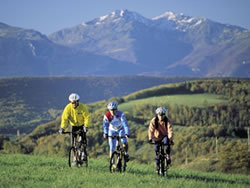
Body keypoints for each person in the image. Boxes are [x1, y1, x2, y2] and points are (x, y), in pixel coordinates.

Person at [59, 93, 90, 161]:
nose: (74, 104)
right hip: (74, 126)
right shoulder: (68, 108)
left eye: (76, 102)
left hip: (82, 126)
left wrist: (86, 126)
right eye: (72, 102)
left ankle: (83, 153)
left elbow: (87, 117)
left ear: (78, 101)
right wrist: (62, 128)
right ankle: (75, 157)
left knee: (83, 140)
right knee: (73, 143)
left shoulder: (82, 107)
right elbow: (64, 119)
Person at [148, 107, 174, 173]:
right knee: (157, 151)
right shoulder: (154, 120)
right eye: (160, 115)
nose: (161, 117)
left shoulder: (167, 120)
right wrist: (150, 138)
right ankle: (157, 166)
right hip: (157, 137)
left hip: (165, 136)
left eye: (163, 115)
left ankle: (167, 155)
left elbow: (170, 130)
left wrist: (170, 138)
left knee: (167, 143)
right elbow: (151, 130)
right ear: (157, 115)